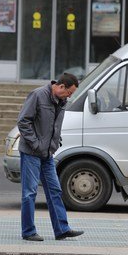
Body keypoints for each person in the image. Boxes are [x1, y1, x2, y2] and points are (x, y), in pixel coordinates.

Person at [17, 73, 84, 242]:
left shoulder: (61, 101)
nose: (70, 96)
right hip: (32, 152)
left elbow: (53, 125)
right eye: (69, 92)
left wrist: (54, 142)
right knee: (29, 192)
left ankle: (62, 229)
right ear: (61, 87)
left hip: (47, 153)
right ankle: (28, 231)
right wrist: (36, 144)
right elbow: (23, 121)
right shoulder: (38, 95)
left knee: (55, 190)